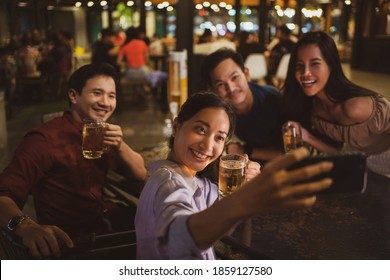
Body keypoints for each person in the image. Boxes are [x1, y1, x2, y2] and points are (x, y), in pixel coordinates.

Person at [135, 91, 333, 259]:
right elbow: (176, 235)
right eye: (200, 129)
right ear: (177, 127)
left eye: (219, 137)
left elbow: (220, 207)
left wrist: (246, 188)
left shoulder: (193, 180)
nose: (208, 145)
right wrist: (241, 203)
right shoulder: (168, 182)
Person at [0, 63, 147, 258]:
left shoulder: (100, 132)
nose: (106, 102)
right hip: (72, 244)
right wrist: (25, 227)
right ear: (73, 96)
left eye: (111, 96)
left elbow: (141, 173)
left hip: (104, 223)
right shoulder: (45, 139)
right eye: (97, 93)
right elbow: (3, 194)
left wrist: (120, 145)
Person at [281, 31, 390, 177]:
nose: (305, 73)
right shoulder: (314, 108)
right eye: (299, 66)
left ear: (331, 65)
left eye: (315, 64)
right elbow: (344, 155)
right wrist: (305, 136)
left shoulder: (354, 107)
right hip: (365, 169)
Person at [201, 48, 283, 165]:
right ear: (212, 90)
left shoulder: (273, 101)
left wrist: (244, 150)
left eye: (234, 78)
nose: (231, 88)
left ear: (246, 74)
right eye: (220, 84)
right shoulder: (220, 110)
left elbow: (289, 152)